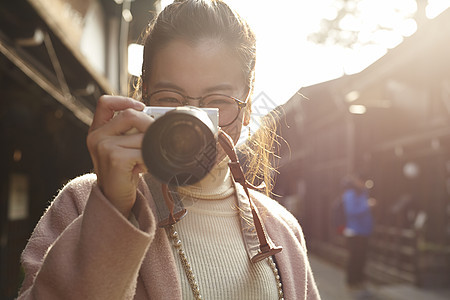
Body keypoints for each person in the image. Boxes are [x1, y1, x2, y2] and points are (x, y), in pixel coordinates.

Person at [17, 1, 320, 299]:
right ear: (143, 99)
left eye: (217, 102)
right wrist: (112, 209)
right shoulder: (85, 203)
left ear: (247, 109)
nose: (192, 121)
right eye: (170, 98)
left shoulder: (281, 229)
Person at [341, 174, 374, 292]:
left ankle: (359, 281)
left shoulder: (363, 192)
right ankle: (351, 282)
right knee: (354, 258)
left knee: (362, 258)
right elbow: (351, 211)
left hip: (364, 231)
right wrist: (366, 205)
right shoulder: (350, 194)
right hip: (354, 231)